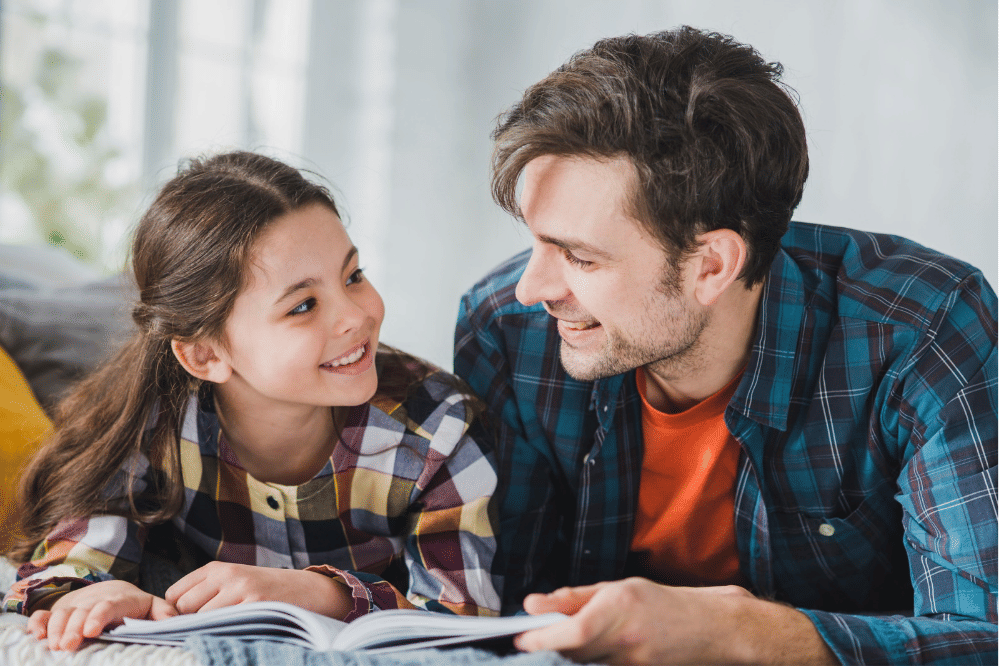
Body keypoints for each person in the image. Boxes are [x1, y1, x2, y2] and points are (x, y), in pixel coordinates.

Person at [454, 26, 997, 665]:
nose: (531, 289)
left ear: (711, 265)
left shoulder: (923, 329)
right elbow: (489, 617)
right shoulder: (505, 331)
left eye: (580, 257)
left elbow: (984, 637)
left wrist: (741, 633)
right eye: (536, 240)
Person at [3, 151, 500, 652]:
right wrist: (92, 593)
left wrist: (321, 594)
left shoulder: (440, 426)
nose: (356, 316)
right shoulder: (148, 415)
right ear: (204, 354)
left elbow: (464, 619)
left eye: (353, 275)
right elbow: (66, 568)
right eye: (303, 305)